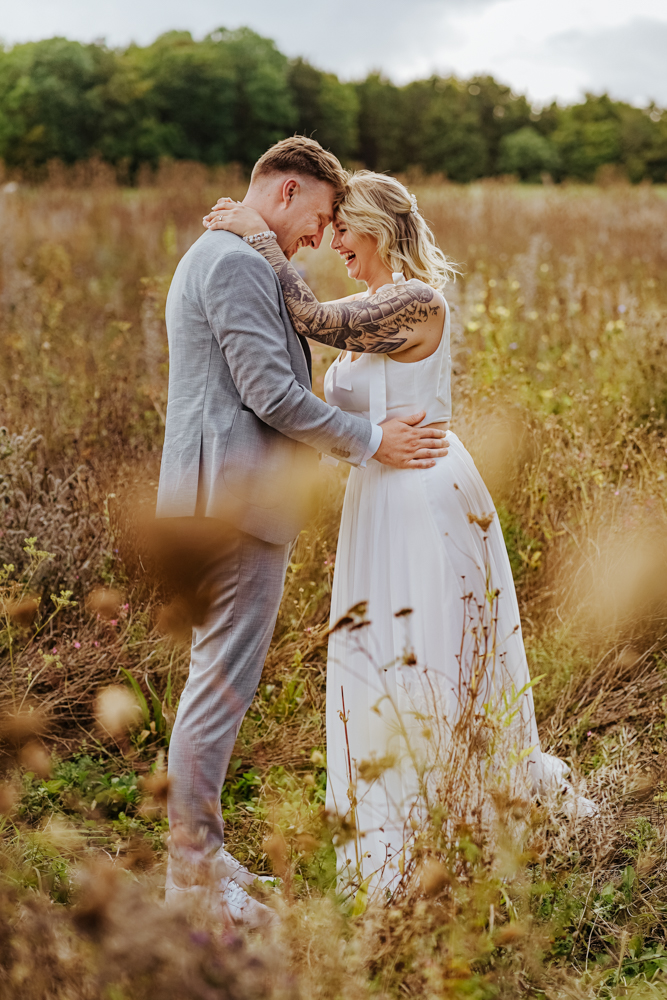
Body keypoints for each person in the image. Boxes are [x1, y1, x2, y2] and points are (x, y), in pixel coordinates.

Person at [204, 169, 597, 900]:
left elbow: (312, 321)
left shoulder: (416, 299)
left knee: (431, 659)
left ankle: (458, 827)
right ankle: (401, 829)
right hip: (378, 495)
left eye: (341, 230)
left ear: (377, 227)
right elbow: (318, 326)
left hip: (423, 494)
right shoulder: (375, 300)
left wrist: (260, 237)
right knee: (383, 656)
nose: (333, 245)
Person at [156, 140, 448, 926]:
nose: (317, 240)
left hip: (219, 496)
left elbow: (295, 344)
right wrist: (370, 441)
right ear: (286, 191)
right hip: (234, 499)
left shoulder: (220, 254)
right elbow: (272, 396)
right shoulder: (236, 262)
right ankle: (190, 876)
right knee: (219, 687)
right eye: (317, 219)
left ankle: (204, 855)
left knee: (215, 682)